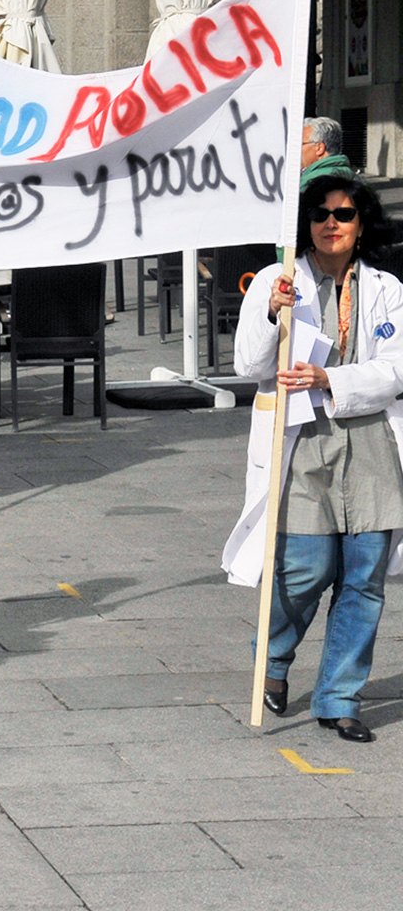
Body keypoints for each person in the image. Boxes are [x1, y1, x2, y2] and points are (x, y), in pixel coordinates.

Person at [226, 179, 403, 743]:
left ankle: (339, 698)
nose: (332, 224)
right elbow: (249, 365)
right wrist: (270, 315)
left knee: (364, 578)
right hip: (300, 440)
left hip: (371, 440)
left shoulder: (386, 289)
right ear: (305, 224)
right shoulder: (277, 281)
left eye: (344, 215)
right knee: (304, 568)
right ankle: (272, 661)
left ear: (361, 224)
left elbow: (396, 368)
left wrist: (331, 378)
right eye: (321, 214)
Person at [301, 116, 354, 191]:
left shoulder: (309, 184)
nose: (297, 149)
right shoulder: (354, 179)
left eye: (301, 144)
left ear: (319, 148)